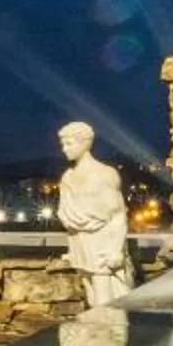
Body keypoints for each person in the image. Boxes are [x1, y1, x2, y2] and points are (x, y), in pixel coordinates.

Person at [54, 121, 132, 307]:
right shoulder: (68, 177)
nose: (64, 149)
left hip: (101, 241)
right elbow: (66, 213)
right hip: (78, 240)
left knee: (104, 298)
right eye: (63, 144)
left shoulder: (104, 174)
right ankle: (95, 326)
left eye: (69, 143)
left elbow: (118, 215)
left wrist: (116, 250)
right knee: (90, 293)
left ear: (84, 143)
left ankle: (108, 326)